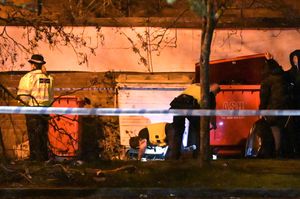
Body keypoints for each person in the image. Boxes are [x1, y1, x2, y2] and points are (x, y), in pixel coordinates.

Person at [17, 54, 54, 161]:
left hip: (32, 110)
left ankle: (35, 160)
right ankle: (44, 158)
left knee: (34, 135)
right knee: (43, 135)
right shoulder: (49, 78)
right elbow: (51, 96)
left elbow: (23, 97)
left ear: (33, 65)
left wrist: (24, 106)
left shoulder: (28, 77)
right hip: (45, 111)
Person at [259, 52, 290, 157]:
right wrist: (270, 59)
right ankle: (281, 150)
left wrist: (261, 110)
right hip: (285, 108)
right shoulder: (283, 77)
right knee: (280, 129)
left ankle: (276, 151)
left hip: (272, 108)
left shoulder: (267, 80)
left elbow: (264, 97)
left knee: (273, 128)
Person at [169, 83, 201, 159]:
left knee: (177, 132)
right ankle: (198, 155)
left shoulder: (193, 87)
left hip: (178, 105)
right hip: (190, 105)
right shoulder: (208, 91)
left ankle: (174, 157)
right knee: (200, 130)